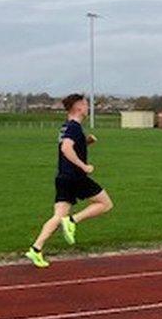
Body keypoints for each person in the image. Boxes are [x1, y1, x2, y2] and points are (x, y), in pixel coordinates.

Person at [25, 94, 114, 268]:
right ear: (79, 107)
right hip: (76, 177)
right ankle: (73, 221)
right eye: (86, 105)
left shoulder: (66, 127)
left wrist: (85, 142)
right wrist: (84, 166)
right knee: (105, 204)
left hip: (63, 177)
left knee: (58, 216)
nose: (88, 108)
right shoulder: (74, 127)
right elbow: (66, 149)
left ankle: (36, 249)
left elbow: (69, 147)